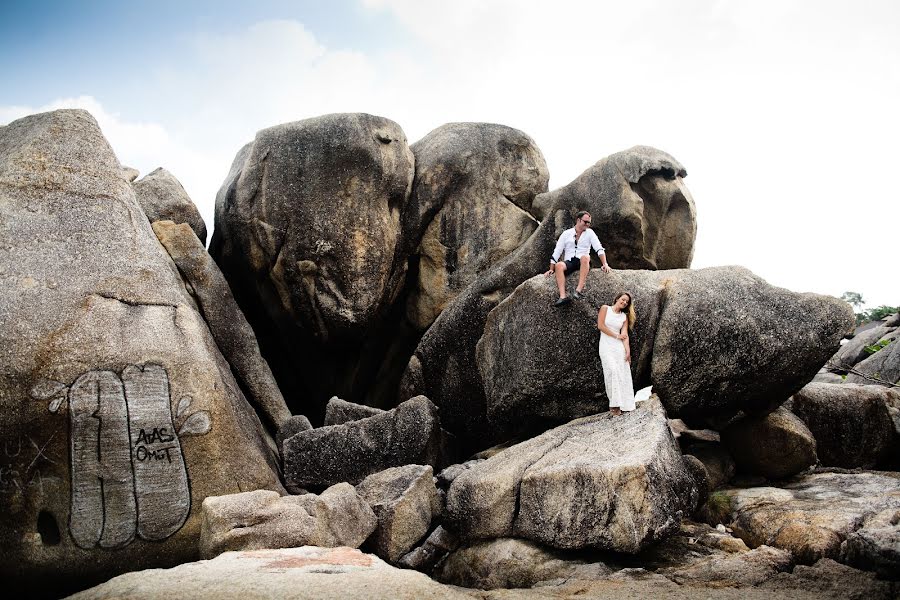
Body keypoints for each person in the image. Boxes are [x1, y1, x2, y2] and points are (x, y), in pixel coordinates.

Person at [545, 211, 611, 307]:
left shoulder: (590, 233)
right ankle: (562, 297)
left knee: (585, 257)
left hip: (583, 261)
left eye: (589, 223)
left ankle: (578, 291)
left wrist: (605, 263)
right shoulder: (566, 234)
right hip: (570, 261)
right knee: (559, 265)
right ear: (578, 220)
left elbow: (598, 248)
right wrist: (551, 269)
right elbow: (557, 251)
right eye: (585, 222)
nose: (587, 224)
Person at [597, 292, 636, 416]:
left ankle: (622, 404)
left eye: (627, 302)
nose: (624, 302)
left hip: (619, 347)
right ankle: (613, 405)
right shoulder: (605, 308)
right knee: (612, 371)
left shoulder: (624, 317)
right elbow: (601, 326)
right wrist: (616, 335)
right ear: (617, 298)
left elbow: (625, 336)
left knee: (621, 374)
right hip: (606, 345)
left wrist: (628, 352)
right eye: (623, 299)